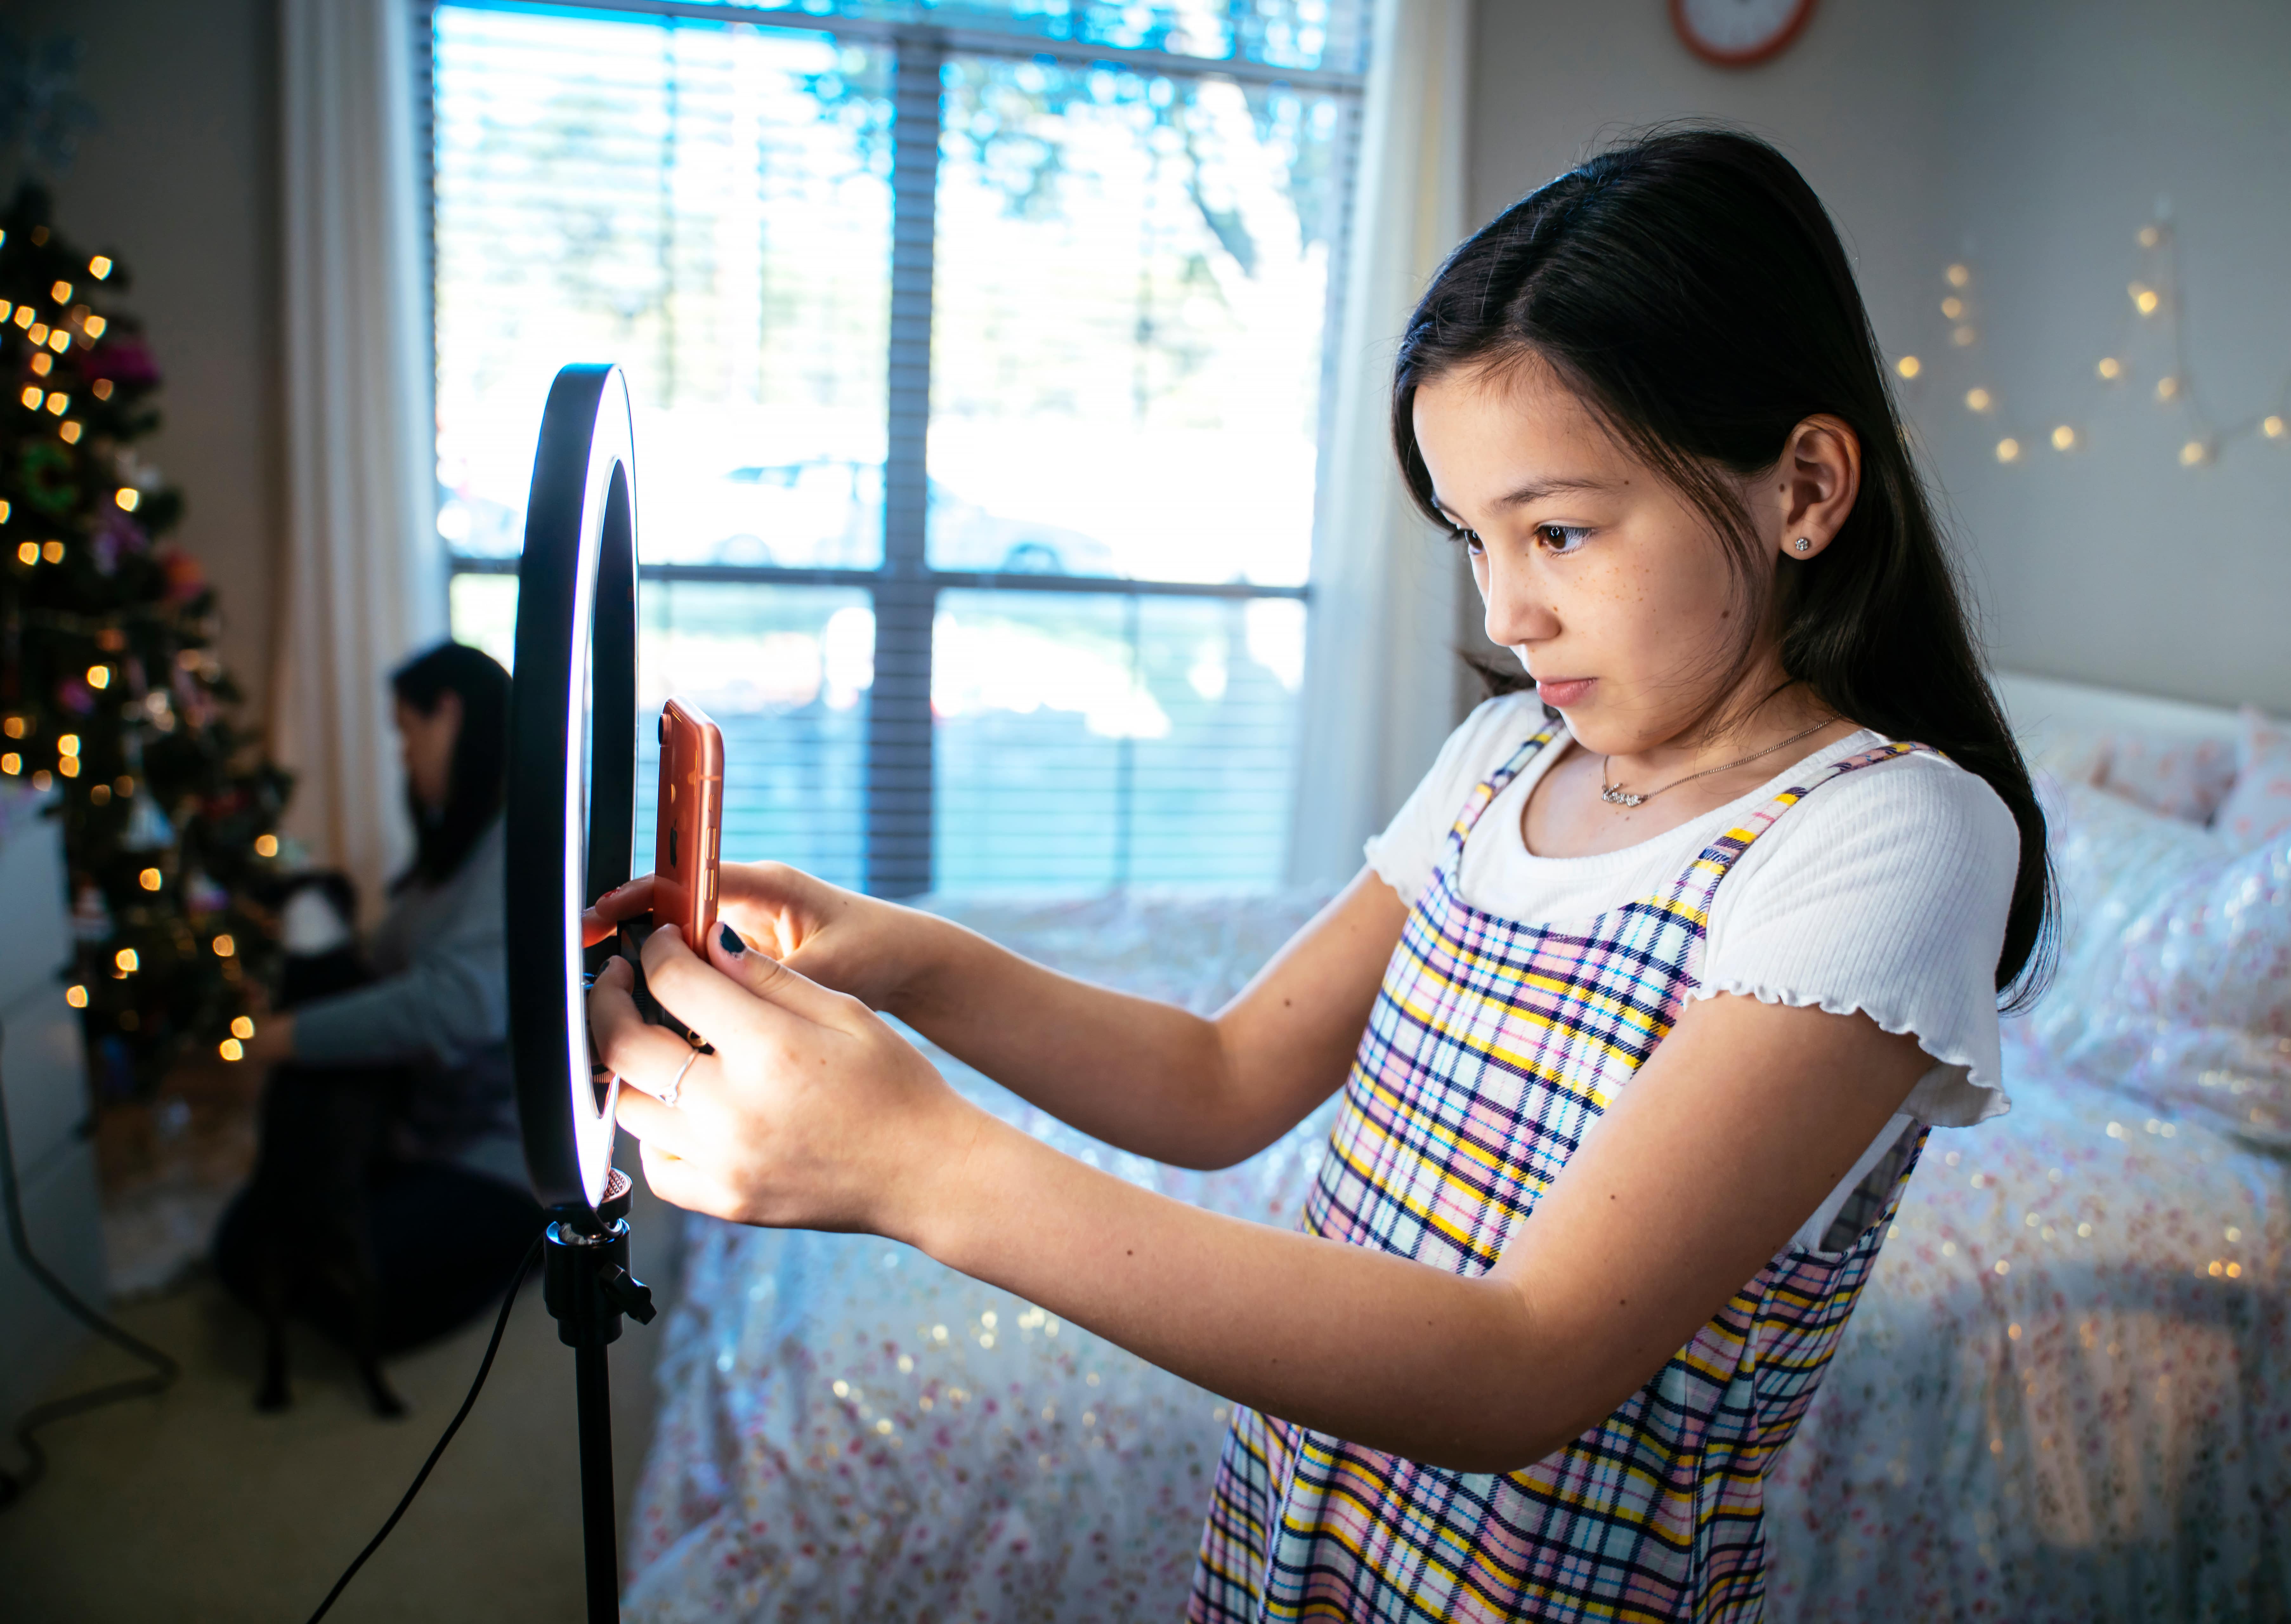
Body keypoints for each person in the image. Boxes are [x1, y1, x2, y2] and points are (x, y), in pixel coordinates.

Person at [587, 127, 2048, 1621]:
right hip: (1293, 1552)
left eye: (1556, 529)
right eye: (1473, 538)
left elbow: (1521, 1359)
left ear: (1801, 488)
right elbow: (1218, 1080)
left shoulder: (1892, 835)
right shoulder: (1496, 761)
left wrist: (920, 1165)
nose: (1509, 608)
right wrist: (899, 955)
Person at [216, 641, 538, 1362]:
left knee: (363, 1288)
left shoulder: (513, 846)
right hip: (416, 1128)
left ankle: (528, 1237)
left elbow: (459, 1005)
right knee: (245, 1246)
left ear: (449, 714)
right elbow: (394, 955)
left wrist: (292, 1034)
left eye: (407, 730)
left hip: (496, 1153)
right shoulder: (457, 845)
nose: (403, 753)